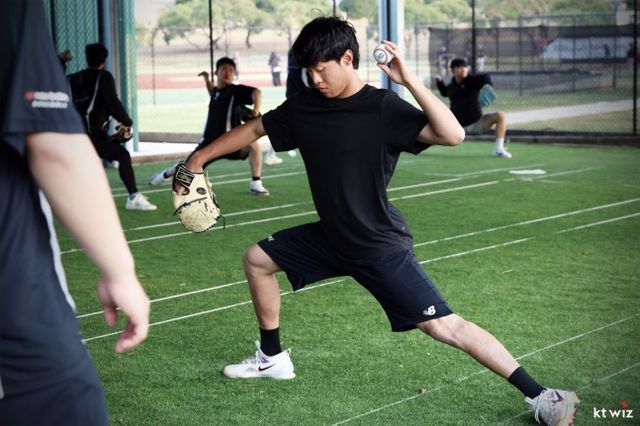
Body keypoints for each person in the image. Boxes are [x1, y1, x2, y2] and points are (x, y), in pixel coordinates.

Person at [175, 17, 578, 426]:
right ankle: (272, 357)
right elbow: (255, 129)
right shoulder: (304, 106)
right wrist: (197, 159)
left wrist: (409, 81)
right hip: (331, 236)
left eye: (322, 69)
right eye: (309, 71)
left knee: (445, 327)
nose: (315, 79)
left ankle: (543, 395)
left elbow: (453, 134)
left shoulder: (382, 108)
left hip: (376, 244)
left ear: (347, 59)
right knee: (257, 259)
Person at [0, 1, 150, 425]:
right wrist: (120, 272)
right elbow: (55, 146)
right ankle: (134, 194)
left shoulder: (77, 75)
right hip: (17, 315)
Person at [149, 57, 270, 196]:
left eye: (231, 70)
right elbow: (212, 90)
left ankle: (256, 183)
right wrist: (206, 79)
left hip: (231, 142)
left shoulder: (235, 91)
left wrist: (256, 110)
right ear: (216, 72)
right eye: (224, 69)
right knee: (187, 171)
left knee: (254, 145)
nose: (228, 72)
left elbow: (257, 92)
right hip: (209, 143)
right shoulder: (216, 92)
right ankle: (166, 174)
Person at [68, 43, 157, 210]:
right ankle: (133, 197)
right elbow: (112, 103)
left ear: (87, 58)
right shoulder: (104, 77)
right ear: (104, 60)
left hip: (74, 133)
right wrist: (127, 121)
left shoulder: (72, 78)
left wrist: (61, 62)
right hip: (93, 134)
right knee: (123, 155)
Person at [436, 58, 511, 158]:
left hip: (477, 123)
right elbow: (444, 92)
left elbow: (486, 77)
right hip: (456, 127)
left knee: (500, 115)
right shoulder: (451, 86)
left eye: (465, 67)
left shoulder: (472, 81)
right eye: (460, 67)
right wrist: (439, 82)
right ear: (453, 70)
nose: (463, 69)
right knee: (433, 118)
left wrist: (488, 85)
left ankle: (499, 149)